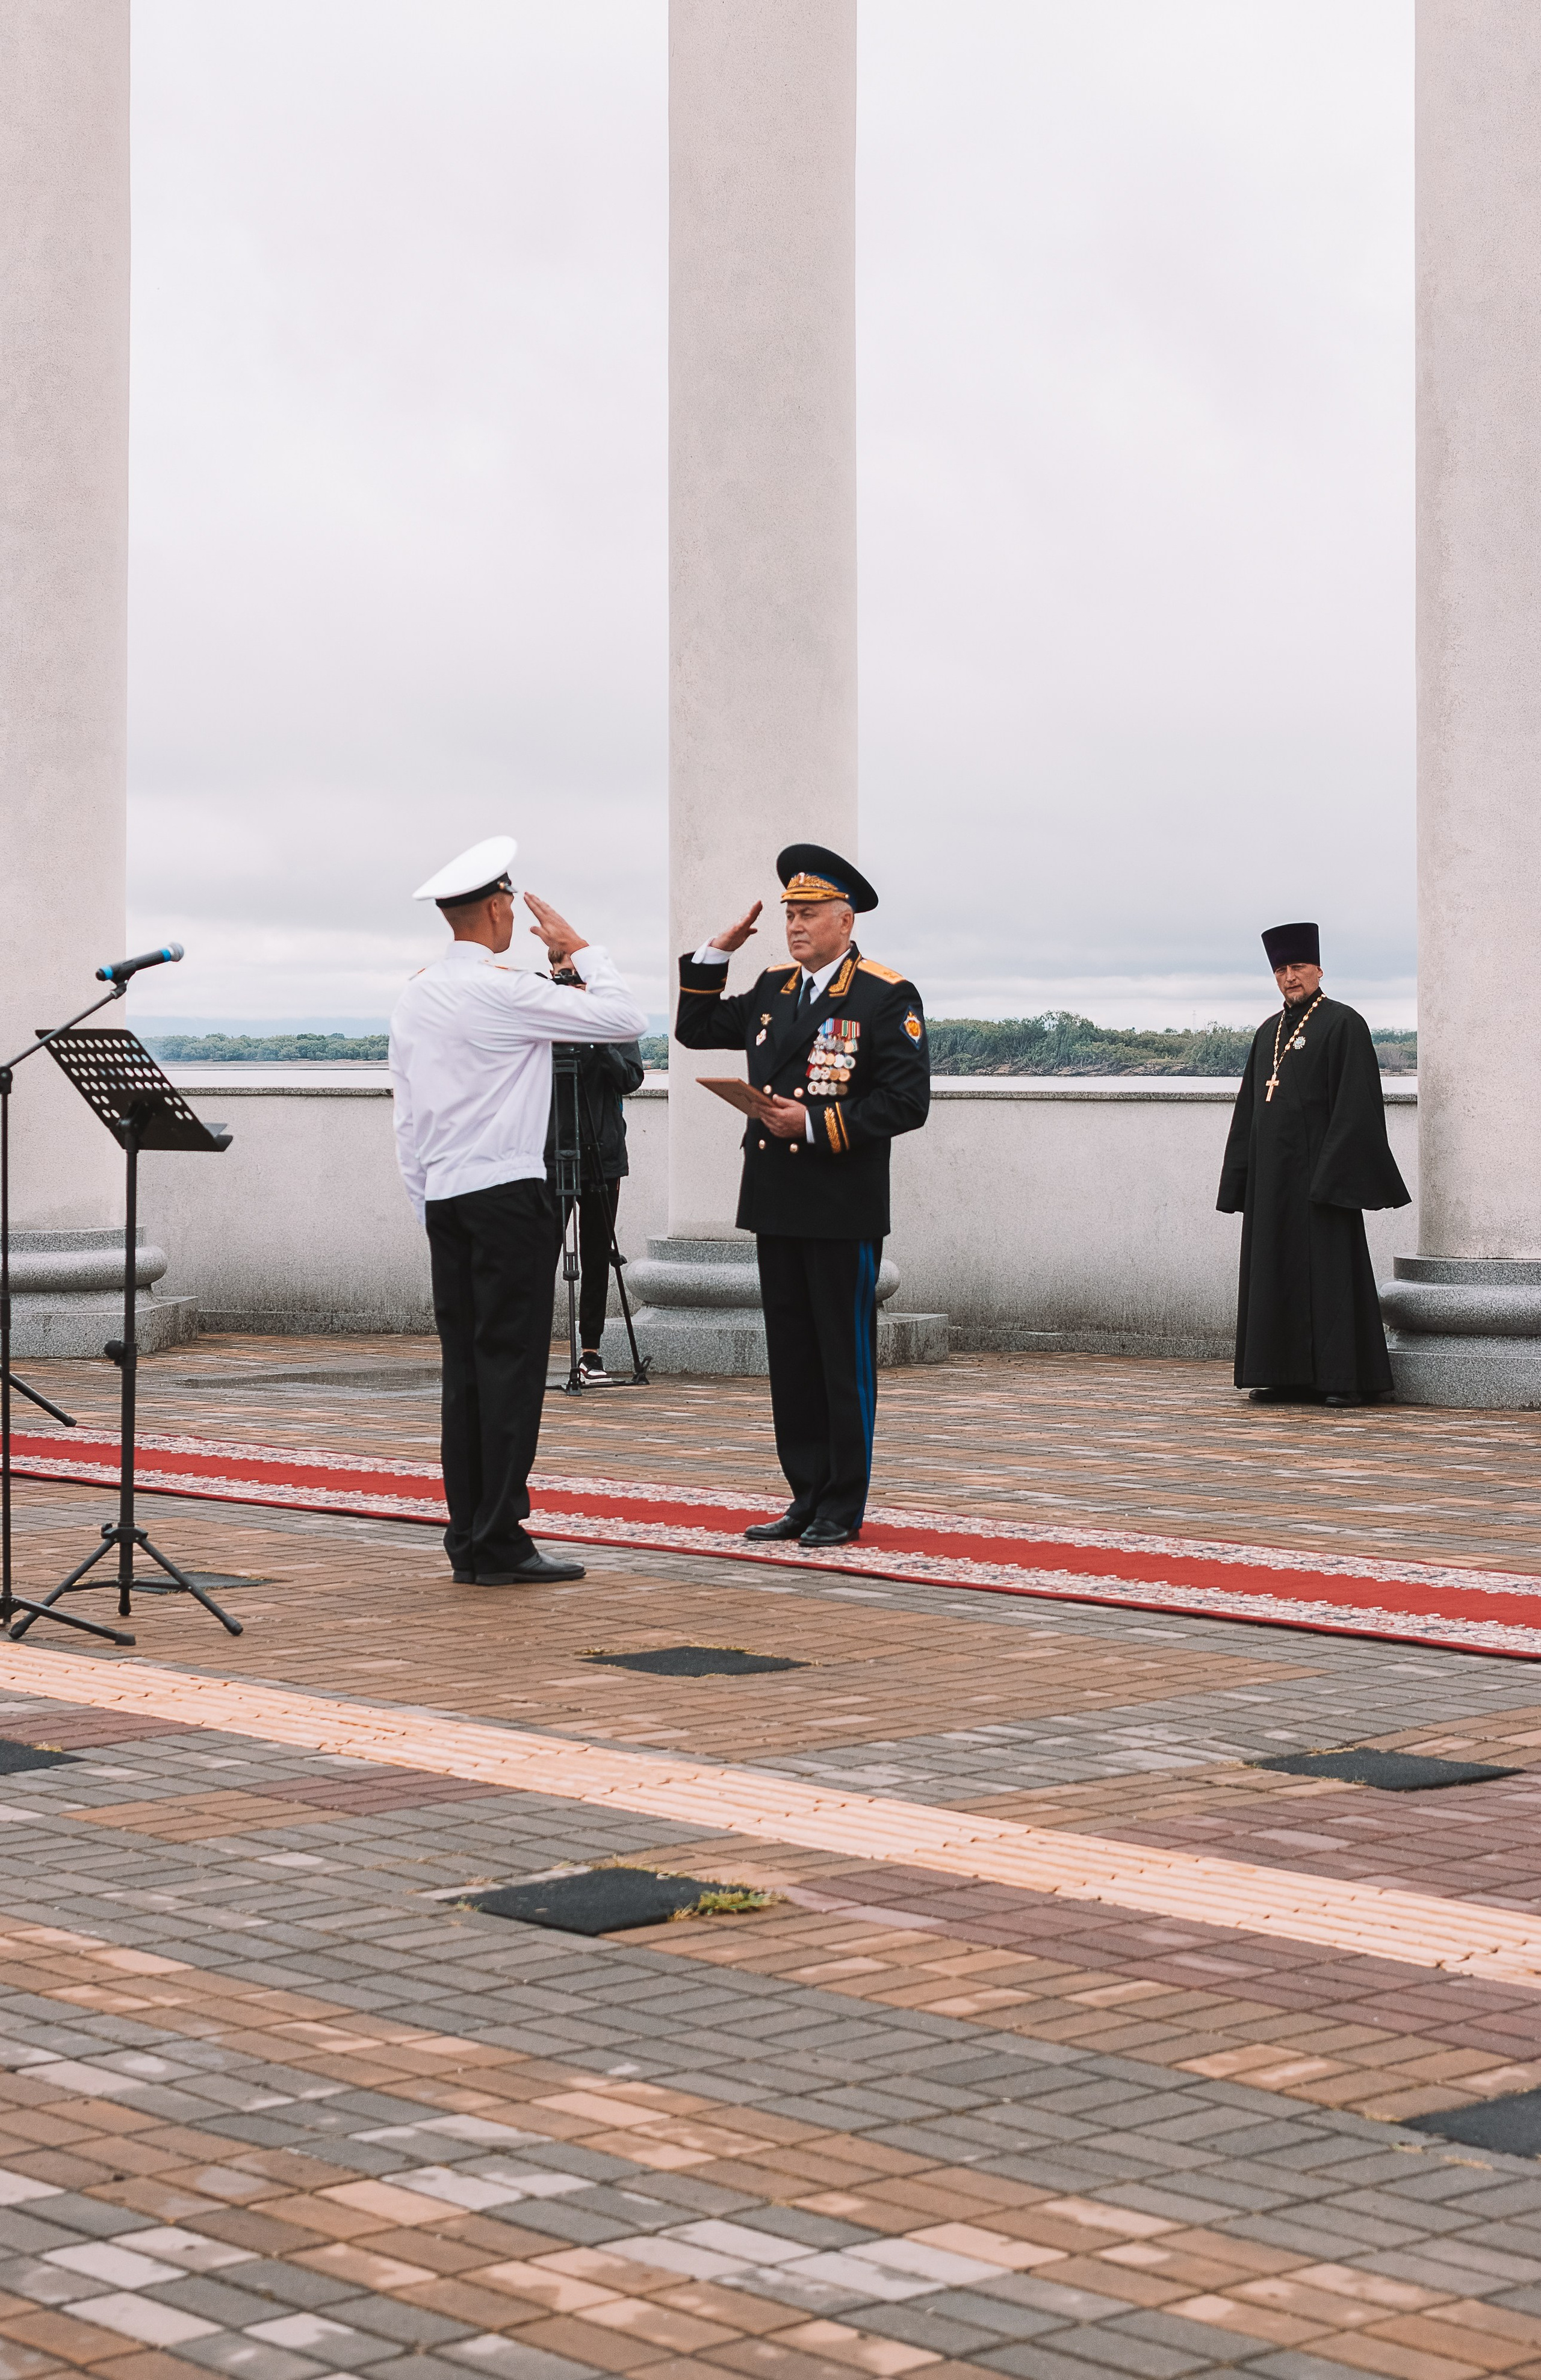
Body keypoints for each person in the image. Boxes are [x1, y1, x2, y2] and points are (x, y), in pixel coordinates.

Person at [389, 835, 648, 1584]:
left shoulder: (417, 994)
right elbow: (624, 1019)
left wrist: (425, 1199)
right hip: (507, 1197)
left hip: (446, 1197)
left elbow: (406, 1116)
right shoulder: (503, 992)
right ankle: (498, 1539)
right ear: (500, 908)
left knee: (465, 1374)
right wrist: (583, 950)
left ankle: (469, 1536)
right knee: (510, 1369)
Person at [675, 843, 930, 1545]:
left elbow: (907, 1103)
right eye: (790, 913)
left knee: (841, 1359)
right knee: (791, 1359)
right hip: (776, 1198)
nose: (795, 925)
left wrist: (814, 1125)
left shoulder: (884, 994)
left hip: (840, 1204)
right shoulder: (773, 987)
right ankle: (804, 1495)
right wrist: (715, 954)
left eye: (810, 913)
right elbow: (694, 1030)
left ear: (845, 921)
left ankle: (841, 1506)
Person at [1217, 920, 1409, 1407]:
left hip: (1323, 1179)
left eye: (1299, 967)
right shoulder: (1268, 1032)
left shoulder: (1344, 1024)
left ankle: (1343, 1379)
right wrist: (1241, 1178)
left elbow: (1358, 1105)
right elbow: (1249, 1109)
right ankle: (1280, 1375)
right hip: (1272, 1181)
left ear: (1319, 970)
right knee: (1273, 1270)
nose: (1290, 977)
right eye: (1281, 970)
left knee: (1330, 1277)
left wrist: (1334, 1174)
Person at [543, 1007, 646, 1381]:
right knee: (538, 1253)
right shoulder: (542, 1018)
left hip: (603, 1157)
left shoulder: (613, 1023)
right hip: (551, 1155)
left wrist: (598, 1038)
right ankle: (527, 1348)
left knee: (597, 1255)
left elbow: (630, 1079)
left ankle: (591, 1351)